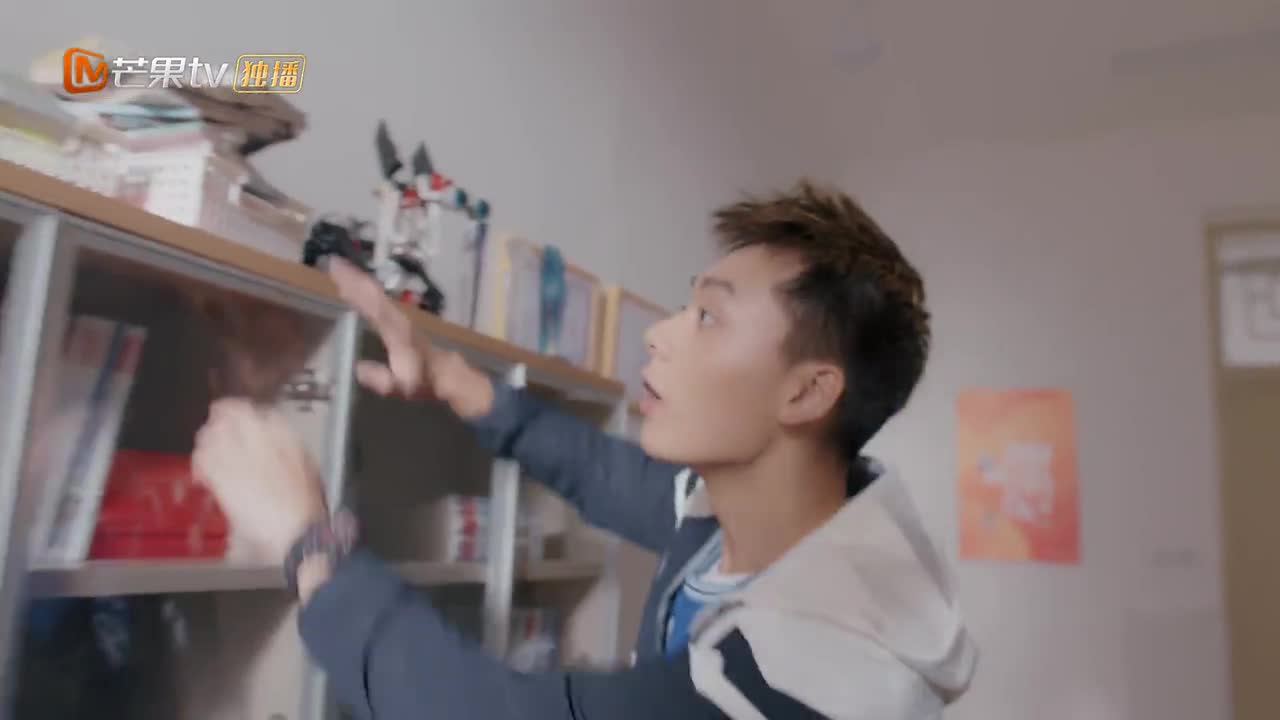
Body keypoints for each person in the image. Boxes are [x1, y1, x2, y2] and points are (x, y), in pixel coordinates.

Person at [192, 180, 978, 719]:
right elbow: (609, 474)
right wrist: (453, 378)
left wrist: (310, 543)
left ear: (807, 393)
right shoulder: (764, 518)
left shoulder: (806, 676)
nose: (660, 334)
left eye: (708, 317)